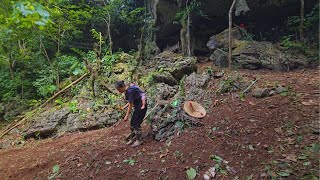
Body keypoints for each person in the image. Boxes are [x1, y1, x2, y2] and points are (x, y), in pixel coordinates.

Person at [115, 80, 148, 147]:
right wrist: (124, 107)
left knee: (136, 124)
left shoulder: (129, 91)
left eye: (118, 89)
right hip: (137, 107)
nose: (118, 91)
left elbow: (131, 104)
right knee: (132, 123)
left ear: (121, 87)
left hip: (141, 108)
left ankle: (139, 140)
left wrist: (126, 116)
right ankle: (133, 138)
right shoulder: (128, 91)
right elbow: (131, 101)